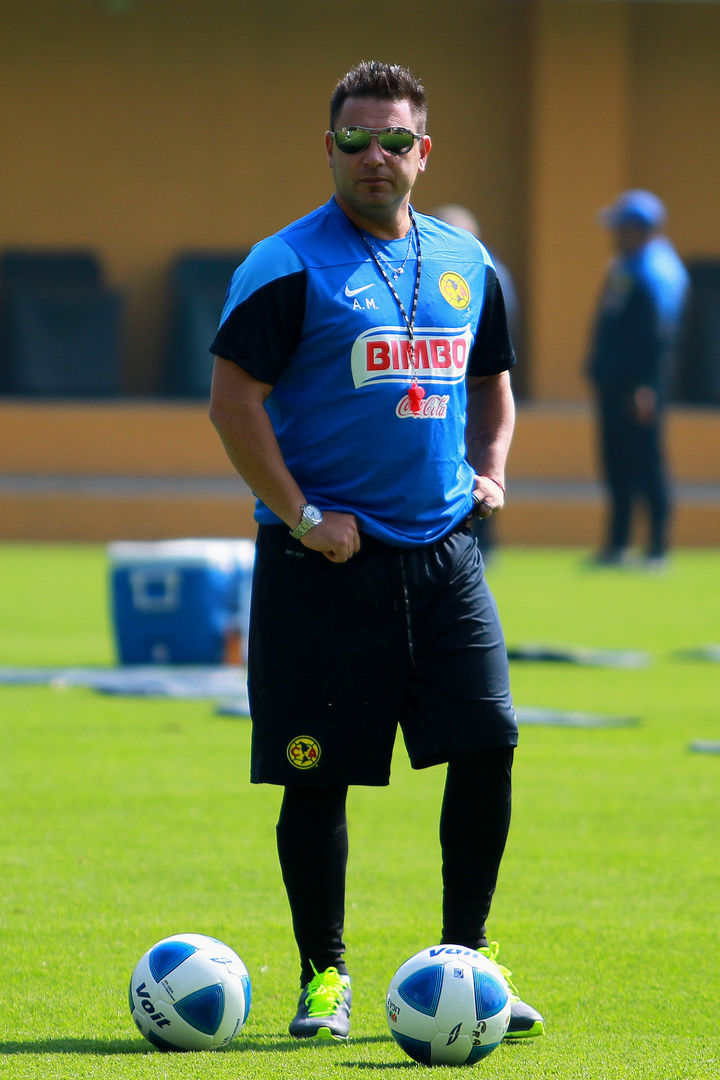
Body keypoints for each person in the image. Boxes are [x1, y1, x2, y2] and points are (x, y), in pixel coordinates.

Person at [209, 60, 543, 1044]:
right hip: (322, 567)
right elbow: (233, 403)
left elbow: (493, 379)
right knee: (317, 776)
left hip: (445, 559)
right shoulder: (284, 264)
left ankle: (468, 962)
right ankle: (324, 978)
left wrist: (491, 469)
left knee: (487, 747)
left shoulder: (466, 262)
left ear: (422, 152)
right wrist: (303, 515)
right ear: (330, 148)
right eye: (355, 140)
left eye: (395, 140)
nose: (375, 157)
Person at [586, 189, 689, 568]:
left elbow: (659, 336)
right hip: (616, 385)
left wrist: (645, 385)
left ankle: (658, 547)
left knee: (647, 461)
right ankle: (618, 543)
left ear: (638, 228)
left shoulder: (656, 269)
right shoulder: (627, 265)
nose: (615, 232)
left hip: (639, 387)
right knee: (617, 463)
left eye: (621, 225)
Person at [432, 204, 521, 563]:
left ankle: (484, 538)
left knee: (479, 458)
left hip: (470, 386)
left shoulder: (484, 271)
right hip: (442, 390)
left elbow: (500, 340)